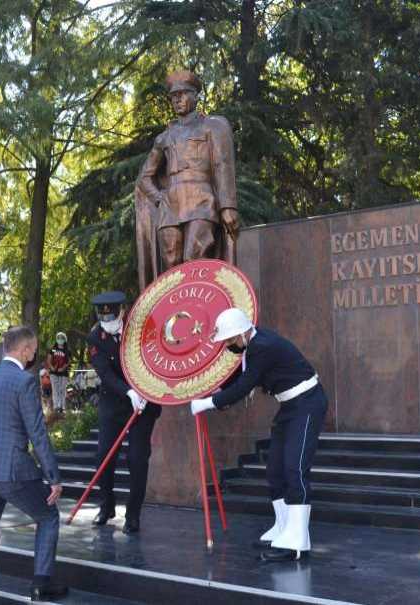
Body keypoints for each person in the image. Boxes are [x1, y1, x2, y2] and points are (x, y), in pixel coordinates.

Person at [190, 307, 328, 562]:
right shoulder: (253, 345)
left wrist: (209, 403)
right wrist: (217, 391)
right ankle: (283, 526)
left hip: (307, 402)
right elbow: (242, 377)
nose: (228, 346)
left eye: (230, 341)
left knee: (295, 468)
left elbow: (245, 385)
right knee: (275, 469)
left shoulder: (261, 346)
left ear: (242, 334)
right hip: (290, 406)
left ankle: (298, 540)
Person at [0, 326, 66, 604]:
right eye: (33, 349)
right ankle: (42, 584)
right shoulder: (25, 381)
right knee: (48, 515)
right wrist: (53, 477)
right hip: (11, 471)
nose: (33, 354)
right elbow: (37, 433)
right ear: (24, 350)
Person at [133, 69, 239, 292]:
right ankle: (174, 319)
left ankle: (201, 314)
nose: (177, 99)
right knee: (171, 268)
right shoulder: (164, 137)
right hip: (170, 208)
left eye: (182, 94)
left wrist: (228, 206)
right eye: (173, 96)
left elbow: (222, 165)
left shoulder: (213, 126)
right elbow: (145, 177)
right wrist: (159, 197)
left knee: (195, 260)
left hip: (201, 201)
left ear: (195, 96)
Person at [87, 291, 161, 534]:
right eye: (103, 319)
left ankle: (133, 515)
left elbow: (158, 359)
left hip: (144, 405)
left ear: (123, 311)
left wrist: (146, 392)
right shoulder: (96, 336)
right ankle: (106, 506)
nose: (107, 324)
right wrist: (128, 392)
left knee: (137, 460)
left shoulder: (141, 329)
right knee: (103, 457)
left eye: (112, 318)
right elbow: (105, 373)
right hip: (114, 402)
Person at [46, 333, 70, 412]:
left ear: (65, 339)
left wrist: (63, 368)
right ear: (56, 339)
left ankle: (62, 407)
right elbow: (49, 359)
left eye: (62, 338)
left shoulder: (67, 350)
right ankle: (56, 406)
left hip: (63, 373)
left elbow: (68, 362)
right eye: (58, 337)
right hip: (54, 373)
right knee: (55, 389)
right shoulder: (53, 349)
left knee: (62, 389)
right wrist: (52, 367)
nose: (60, 339)